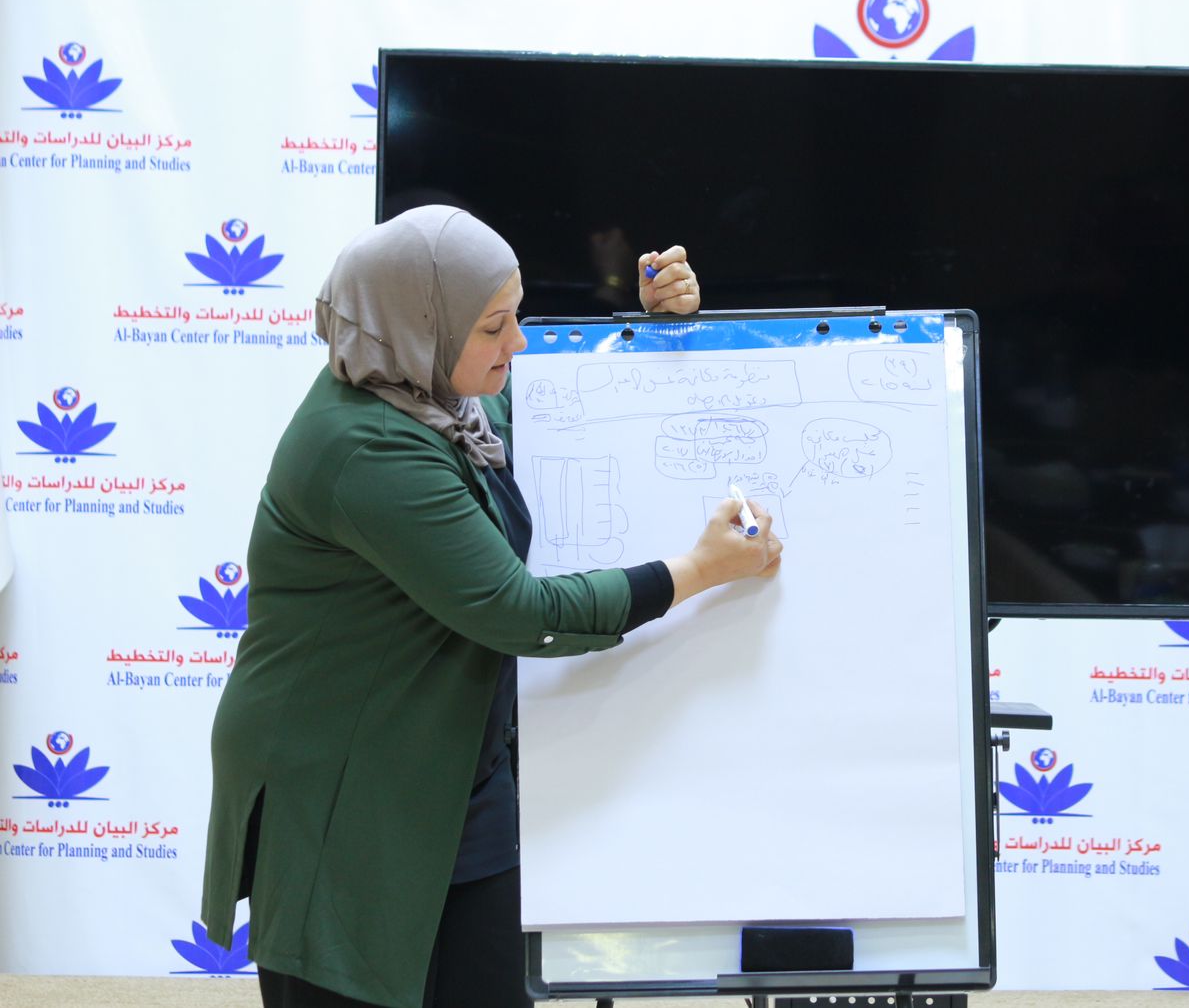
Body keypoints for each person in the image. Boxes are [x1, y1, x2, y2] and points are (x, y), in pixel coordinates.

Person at [200, 206, 781, 1008]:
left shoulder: (436, 394)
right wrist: (697, 570)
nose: (519, 343)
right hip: (342, 791)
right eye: (494, 326)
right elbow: (517, 611)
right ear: (423, 327)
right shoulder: (366, 445)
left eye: (517, 316)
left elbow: (546, 408)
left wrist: (646, 334)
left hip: (449, 775)